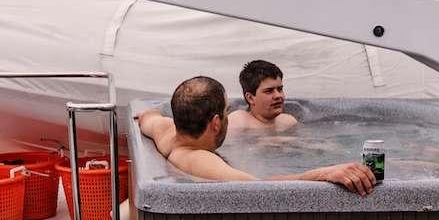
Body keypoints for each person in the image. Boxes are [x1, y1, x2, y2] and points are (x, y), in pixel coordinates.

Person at [137, 76, 376, 195]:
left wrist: (149, 112)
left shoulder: (166, 131)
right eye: (226, 110)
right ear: (216, 123)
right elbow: (259, 187)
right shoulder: (197, 159)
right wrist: (324, 173)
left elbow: (148, 116)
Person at [229, 60, 298, 131]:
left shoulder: (289, 122)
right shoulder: (238, 122)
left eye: (280, 89)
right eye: (269, 91)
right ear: (250, 98)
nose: (278, 96)